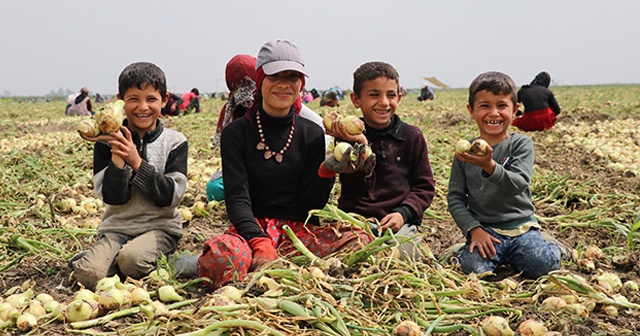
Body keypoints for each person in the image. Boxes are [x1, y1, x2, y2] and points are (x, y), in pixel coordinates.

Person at [175, 40, 372, 289]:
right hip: (250, 229)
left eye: (292, 76)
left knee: (359, 239)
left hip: (298, 233)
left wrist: (325, 173)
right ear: (260, 79)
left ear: (301, 83)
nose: (284, 84)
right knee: (224, 258)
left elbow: (309, 206)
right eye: (275, 75)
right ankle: (232, 262)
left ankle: (270, 268)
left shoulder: (312, 133)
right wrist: (260, 241)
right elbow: (237, 197)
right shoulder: (236, 133)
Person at [69, 62, 189, 290]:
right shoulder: (106, 142)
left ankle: (165, 260)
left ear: (164, 100)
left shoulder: (175, 142)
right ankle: (104, 257)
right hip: (117, 228)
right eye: (134, 99)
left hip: (159, 227)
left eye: (151, 99)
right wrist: (117, 157)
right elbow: (113, 198)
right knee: (90, 275)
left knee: (132, 262)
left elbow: (171, 196)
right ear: (121, 101)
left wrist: (136, 162)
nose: (143, 107)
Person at [447, 71, 572, 279]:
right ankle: (480, 251)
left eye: (502, 105)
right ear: (471, 111)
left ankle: (554, 247)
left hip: (521, 228)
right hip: (486, 231)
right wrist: (474, 229)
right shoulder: (465, 153)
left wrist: (489, 165)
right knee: (474, 269)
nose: (494, 113)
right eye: (485, 106)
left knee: (542, 265)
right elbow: (455, 197)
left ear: (515, 110)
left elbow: (518, 183)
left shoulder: (521, 144)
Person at [324, 61, 436, 260]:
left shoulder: (411, 136)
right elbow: (357, 189)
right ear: (356, 100)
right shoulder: (347, 138)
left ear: (399, 98)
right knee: (350, 254)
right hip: (356, 220)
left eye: (391, 95)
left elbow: (424, 186)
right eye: (374, 94)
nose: (384, 102)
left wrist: (403, 213)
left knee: (405, 254)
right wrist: (363, 148)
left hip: (398, 221)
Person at [209, 53, 330, 202]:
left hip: (291, 178)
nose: (283, 84)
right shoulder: (234, 118)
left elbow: (320, 128)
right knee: (216, 188)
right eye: (239, 87)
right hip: (249, 179)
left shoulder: (293, 109)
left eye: (248, 85)